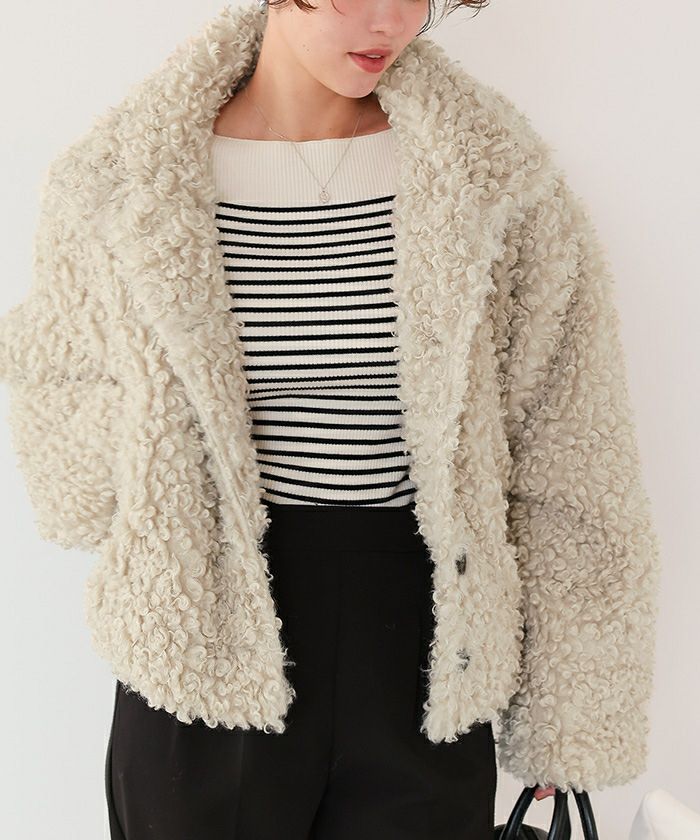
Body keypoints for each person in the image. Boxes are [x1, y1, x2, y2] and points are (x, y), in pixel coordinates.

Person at [0, 0, 661, 838]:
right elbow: (57, 386)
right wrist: (157, 506)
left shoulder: (493, 177)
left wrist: (569, 718)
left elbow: (571, 455)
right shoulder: (121, 179)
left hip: (425, 653)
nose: (388, 22)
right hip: (204, 649)